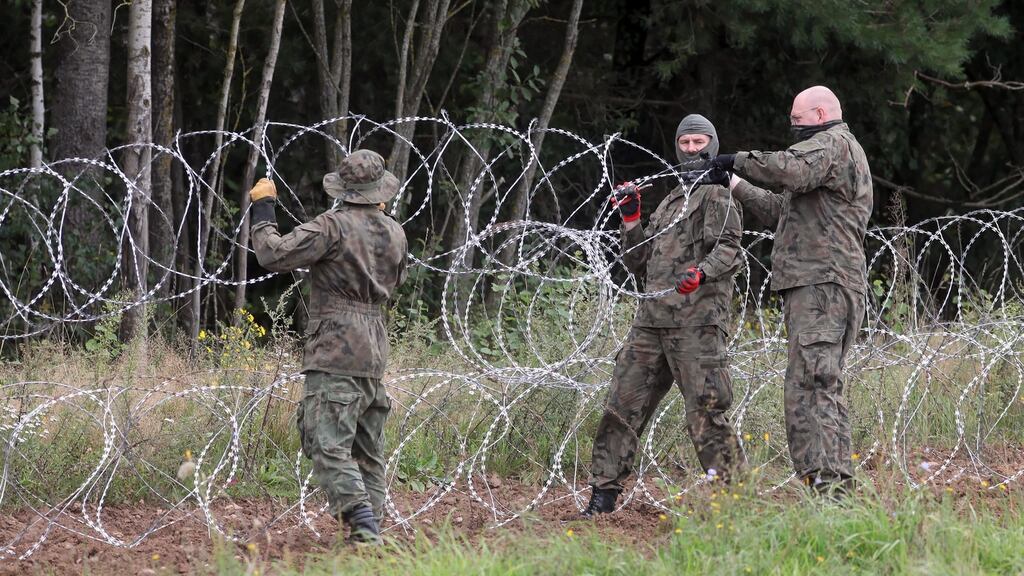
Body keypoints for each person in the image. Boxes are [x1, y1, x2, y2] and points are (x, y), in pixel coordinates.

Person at [710, 86, 872, 495]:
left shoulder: (832, 144)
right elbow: (782, 212)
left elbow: (791, 169)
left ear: (819, 114)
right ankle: (827, 488)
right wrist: (733, 183)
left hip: (823, 285)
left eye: (797, 119)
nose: (792, 126)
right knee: (813, 385)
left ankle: (831, 492)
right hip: (821, 285)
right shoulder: (830, 159)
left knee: (814, 387)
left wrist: (739, 159)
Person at [583, 114, 745, 518]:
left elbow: (728, 251)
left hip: (697, 326)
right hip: (651, 324)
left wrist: (701, 273)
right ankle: (602, 498)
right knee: (621, 407)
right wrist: (633, 219)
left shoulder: (717, 195)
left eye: (699, 142)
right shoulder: (672, 200)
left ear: (712, 144)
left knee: (706, 414)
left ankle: (734, 502)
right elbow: (640, 262)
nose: (692, 149)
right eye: (685, 143)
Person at [247, 149, 408, 543]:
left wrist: (263, 208)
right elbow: (396, 282)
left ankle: (364, 526)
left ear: (345, 190)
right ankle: (369, 533)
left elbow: (273, 254)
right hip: (374, 345)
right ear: (379, 192)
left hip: (336, 346)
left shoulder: (332, 227)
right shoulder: (396, 232)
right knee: (368, 448)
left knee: (326, 442)